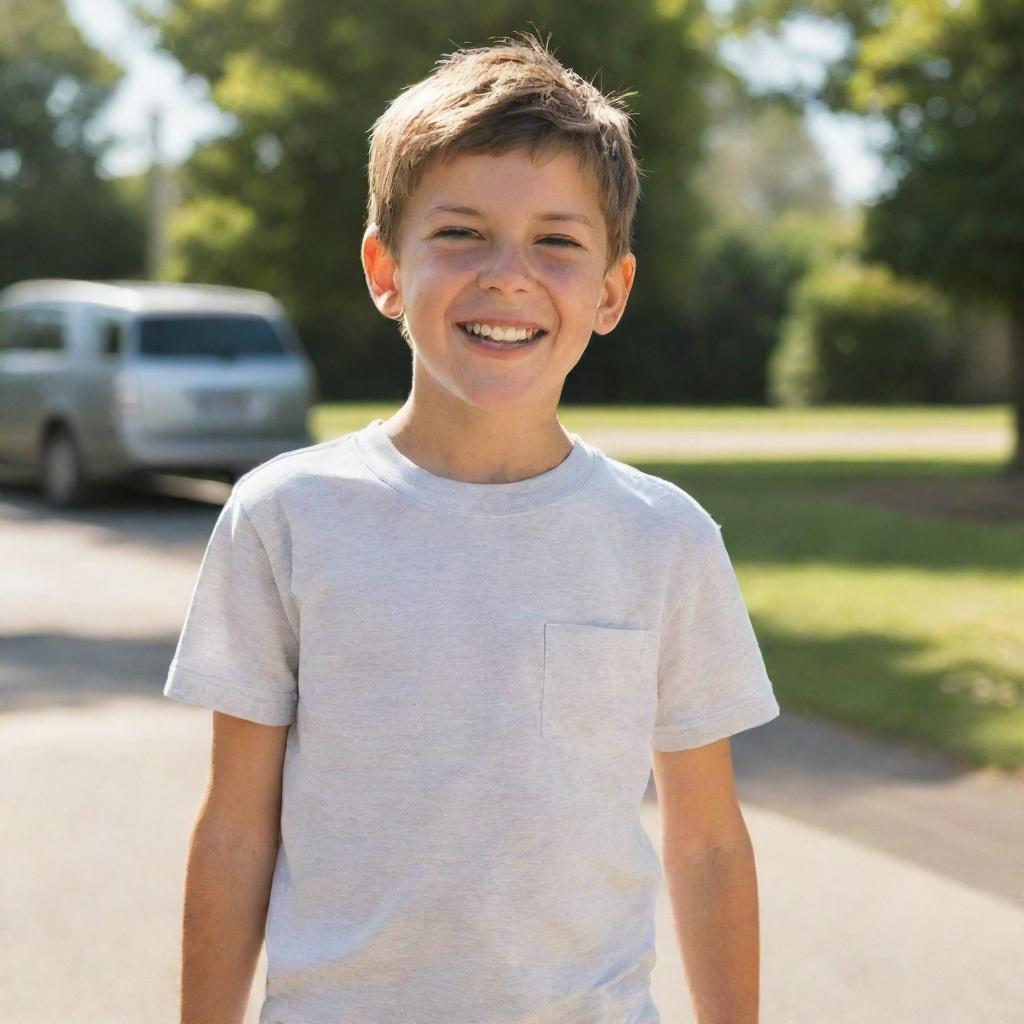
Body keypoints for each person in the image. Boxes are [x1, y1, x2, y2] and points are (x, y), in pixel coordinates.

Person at [163, 31, 781, 1024]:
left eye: (557, 240)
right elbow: (235, 827)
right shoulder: (285, 517)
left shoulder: (663, 540)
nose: (508, 273)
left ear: (610, 290)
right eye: (460, 233)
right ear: (384, 269)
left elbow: (706, 840)